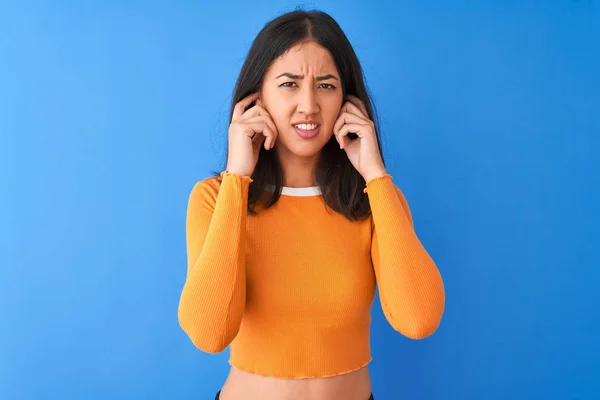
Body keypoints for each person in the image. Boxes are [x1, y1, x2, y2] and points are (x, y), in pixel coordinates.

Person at [177, 8, 445, 400]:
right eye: (289, 84)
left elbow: (418, 319)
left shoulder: (373, 199)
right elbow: (209, 332)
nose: (308, 105)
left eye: (325, 85)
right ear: (257, 95)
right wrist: (237, 176)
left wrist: (375, 174)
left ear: (347, 99)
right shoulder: (215, 197)